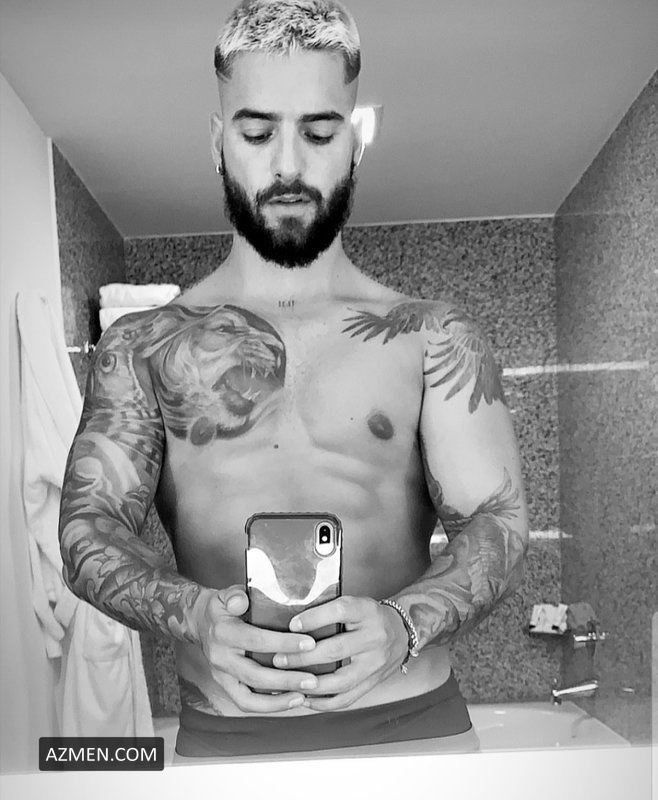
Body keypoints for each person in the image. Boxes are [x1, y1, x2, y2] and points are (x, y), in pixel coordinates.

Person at [59, 0, 529, 760]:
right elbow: (90, 528)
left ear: (355, 141)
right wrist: (194, 615)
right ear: (218, 142)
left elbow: (497, 522)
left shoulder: (433, 337)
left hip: (415, 733)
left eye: (318, 132)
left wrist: (403, 625)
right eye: (256, 133)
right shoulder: (142, 346)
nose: (287, 166)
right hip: (227, 741)